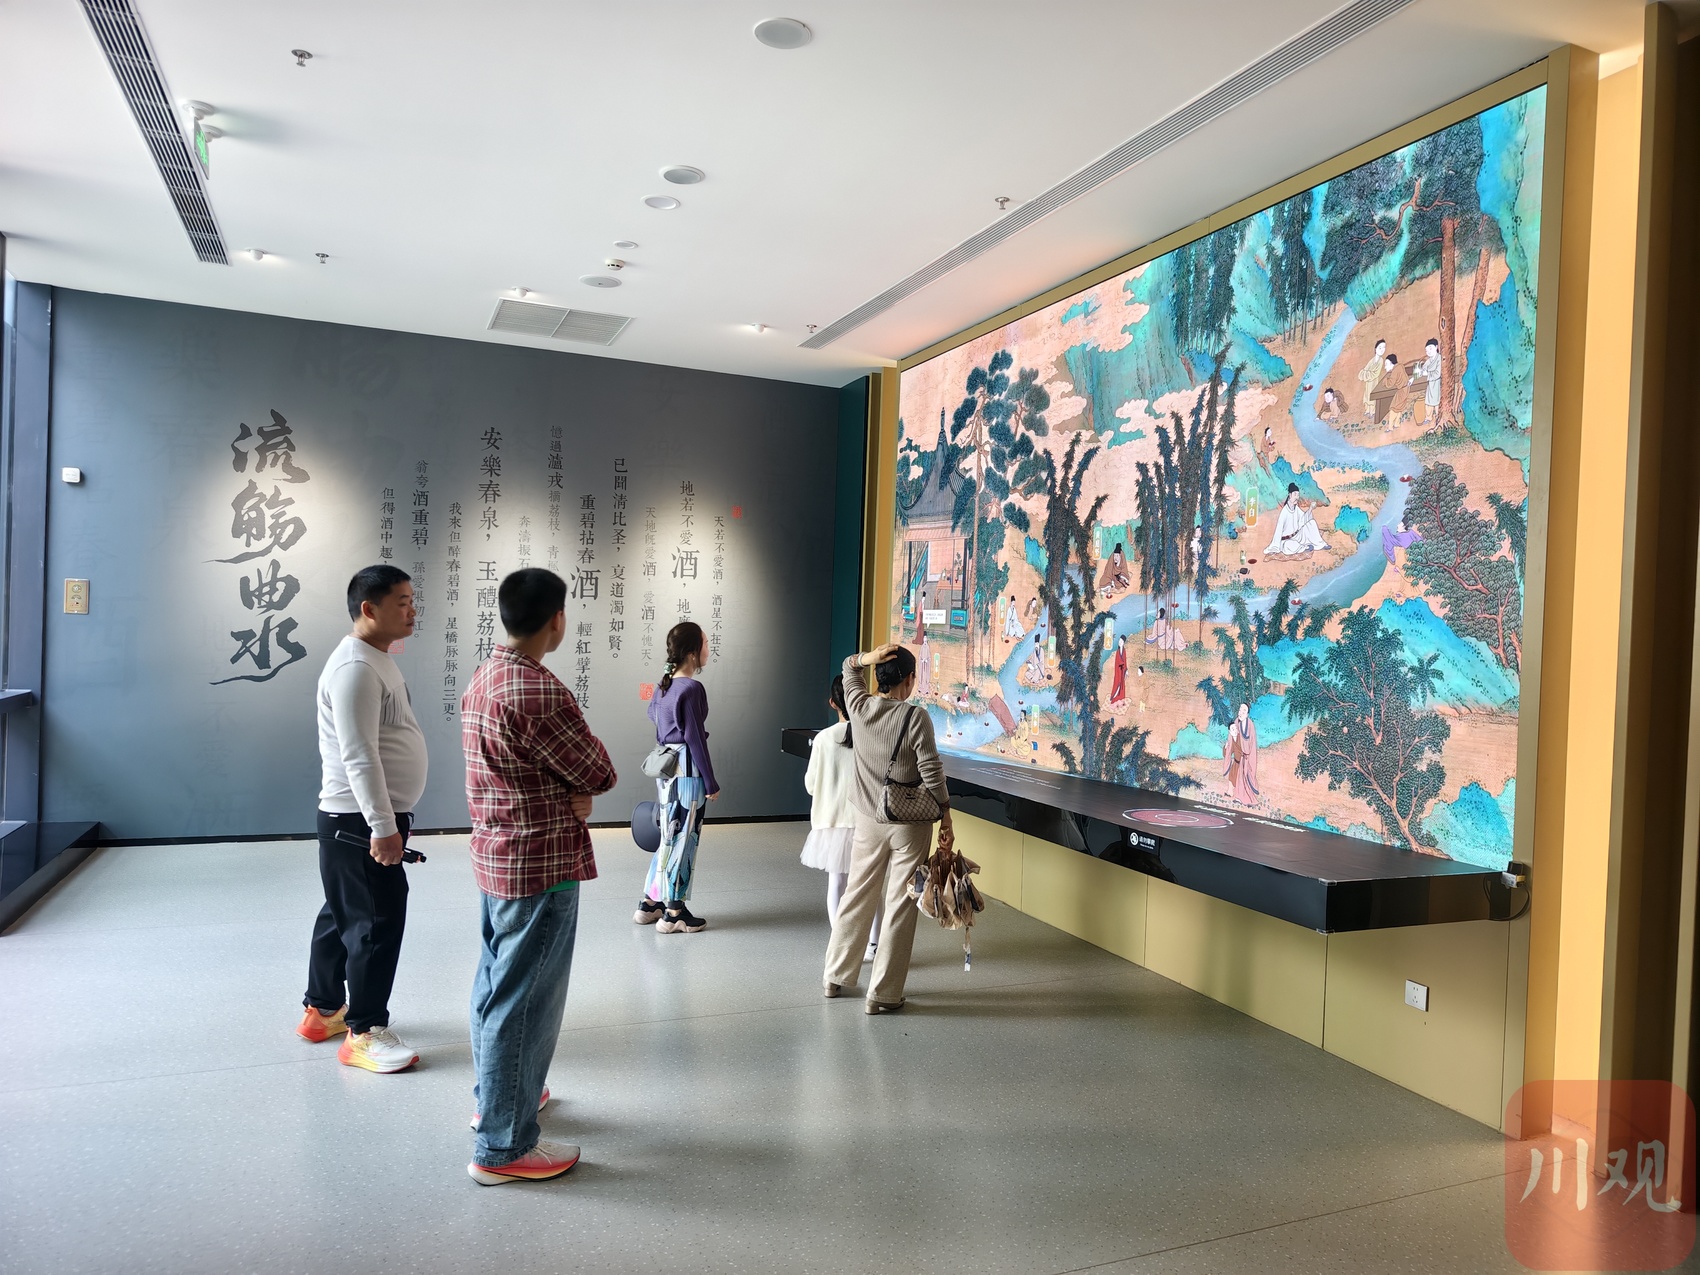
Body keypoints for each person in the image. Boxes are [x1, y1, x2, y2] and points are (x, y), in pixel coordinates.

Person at [461, 568, 616, 1185]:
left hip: (497, 854)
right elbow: (598, 771)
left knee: (495, 984)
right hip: (540, 863)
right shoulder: (540, 691)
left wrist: (567, 790)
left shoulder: (485, 676)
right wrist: (578, 793)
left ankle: (496, 1098)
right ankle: (503, 1147)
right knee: (525, 1000)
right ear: (557, 620)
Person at [299, 565, 426, 1075]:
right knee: (375, 921)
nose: (412, 610)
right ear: (369, 609)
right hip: (359, 820)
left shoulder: (375, 658)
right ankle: (365, 1031)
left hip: (359, 819)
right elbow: (359, 755)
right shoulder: (355, 668)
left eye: (412, 600)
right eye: (402, 602)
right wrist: (383, 826)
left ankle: (323, 1009)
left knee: (345, 912)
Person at [824, 644, 954, 1013]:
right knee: (900, 904)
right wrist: (946, 813)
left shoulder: (859, 706)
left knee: (857, 895)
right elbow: (931, 770)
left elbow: (849, 667)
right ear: (910, 680)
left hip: (867, 819)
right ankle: (882, 994)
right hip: (908, 824)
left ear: (879, 674)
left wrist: (867, 658)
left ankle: (835, 976)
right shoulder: (916, 717)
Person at [638, 621, 719, 933]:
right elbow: (695, 738)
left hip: (666, 768)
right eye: (705, 643)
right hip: (687, 769)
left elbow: (653, 716)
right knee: (685, 837)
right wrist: (710, 781)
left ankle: (650, 902)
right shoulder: (691, 688)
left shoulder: (664, 685)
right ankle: (674, 912)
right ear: (692, 652)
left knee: (668, 835)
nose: (709, 649)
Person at [801, 676, 881, 962]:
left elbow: (811, 785)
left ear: (832, 703)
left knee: (837, 882)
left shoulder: (823, 739)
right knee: (870, 886)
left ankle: (842, 945)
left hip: (832, 822)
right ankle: (873, 945)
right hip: (866, 822)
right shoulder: (870, 735)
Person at [1266, 483, 1329, 558]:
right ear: (1290, 495)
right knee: (1288, 546)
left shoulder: (1296, 508)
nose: (1297, 497)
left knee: (1311, 522)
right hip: (1287, 540)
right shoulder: (1284, 512)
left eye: (1298, 495)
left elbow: (1303, 519)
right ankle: (1303, 547)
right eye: (1295, 494)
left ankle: (1320, 544)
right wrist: (1275, 546)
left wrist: (1310, 508)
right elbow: (1278, 531)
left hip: (1298, 536)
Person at [1224, 702, 1258, 805]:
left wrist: (1248, 754)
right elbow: (1232, 738)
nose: (1241, 712)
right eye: (1240, 710)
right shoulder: (1236, 722)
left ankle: (1244, 799)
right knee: (1235, 776)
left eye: (1244, 711)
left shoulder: (1250, 725)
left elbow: (1252, 743)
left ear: (1247, 714)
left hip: (1246, 757)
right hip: (1238, 756)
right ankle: (1235, 795)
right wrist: (1227, 748)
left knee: (1244, 779)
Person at [1409, 338, 1442, 428]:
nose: (1429, 352)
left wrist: (1427, 373)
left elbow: (1437, 374)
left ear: (1436, 347)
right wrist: (1412, 379)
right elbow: (1421, 371)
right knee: (1428, 402)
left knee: (1437, 402)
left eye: (1430, 348)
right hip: (1431, 385)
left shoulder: (1439, 359)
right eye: (1427, 350)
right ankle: (1428, 418)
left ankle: (1439, 416)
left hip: (1438, 384)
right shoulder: (1428, 361)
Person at [1358, 338, 1387, 419]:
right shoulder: (1372, 360)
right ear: (1375, 349)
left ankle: (1372, 412)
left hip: (1374, 382)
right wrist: (1365, 374)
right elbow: (1364, 370)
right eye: (1380, 347)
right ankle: (1367, 410)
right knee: (1367, 395)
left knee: (1372, 396)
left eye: (1384, 347)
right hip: (1368, 383)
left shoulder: (1380, 360)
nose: (1382, 350)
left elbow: (1375, 374)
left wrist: (1365, 374)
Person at [1107, 633, 1130, 710]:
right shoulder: (1117, 652)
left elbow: (1125, 661)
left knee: (1122, 685)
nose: (1120, 642)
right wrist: (1120, 668)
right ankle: (1114, 700)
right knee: (1117, 683)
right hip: (1118, 671)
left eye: (1121, 641)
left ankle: (1120, 699)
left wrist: (1126, 670)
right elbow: (1117, 662)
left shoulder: (1124, 651)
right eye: (1119, 641)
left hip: (1122, 670)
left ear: (1123, 642)